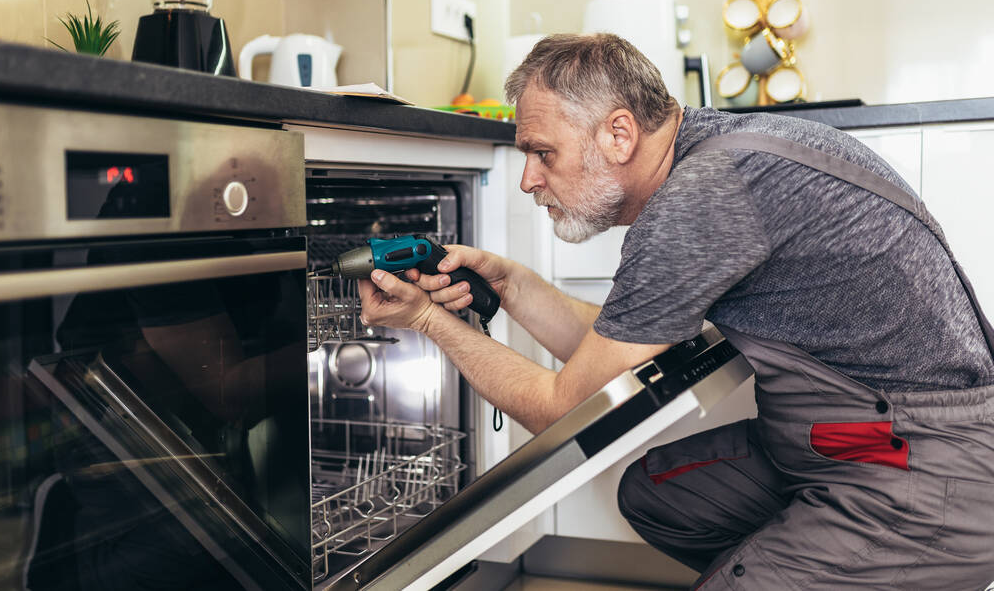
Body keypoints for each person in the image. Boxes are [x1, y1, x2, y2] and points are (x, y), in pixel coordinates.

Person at [357, 33, 994, 589]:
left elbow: (565, 408)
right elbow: (618, 352)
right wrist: (515, 284)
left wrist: (427, 320)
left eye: (542, 152)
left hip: (920, 468)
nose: (528, 179)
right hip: (858, 438)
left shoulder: (701, 198)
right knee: (657, 494)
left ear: (619, 132)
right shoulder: (724, 153)